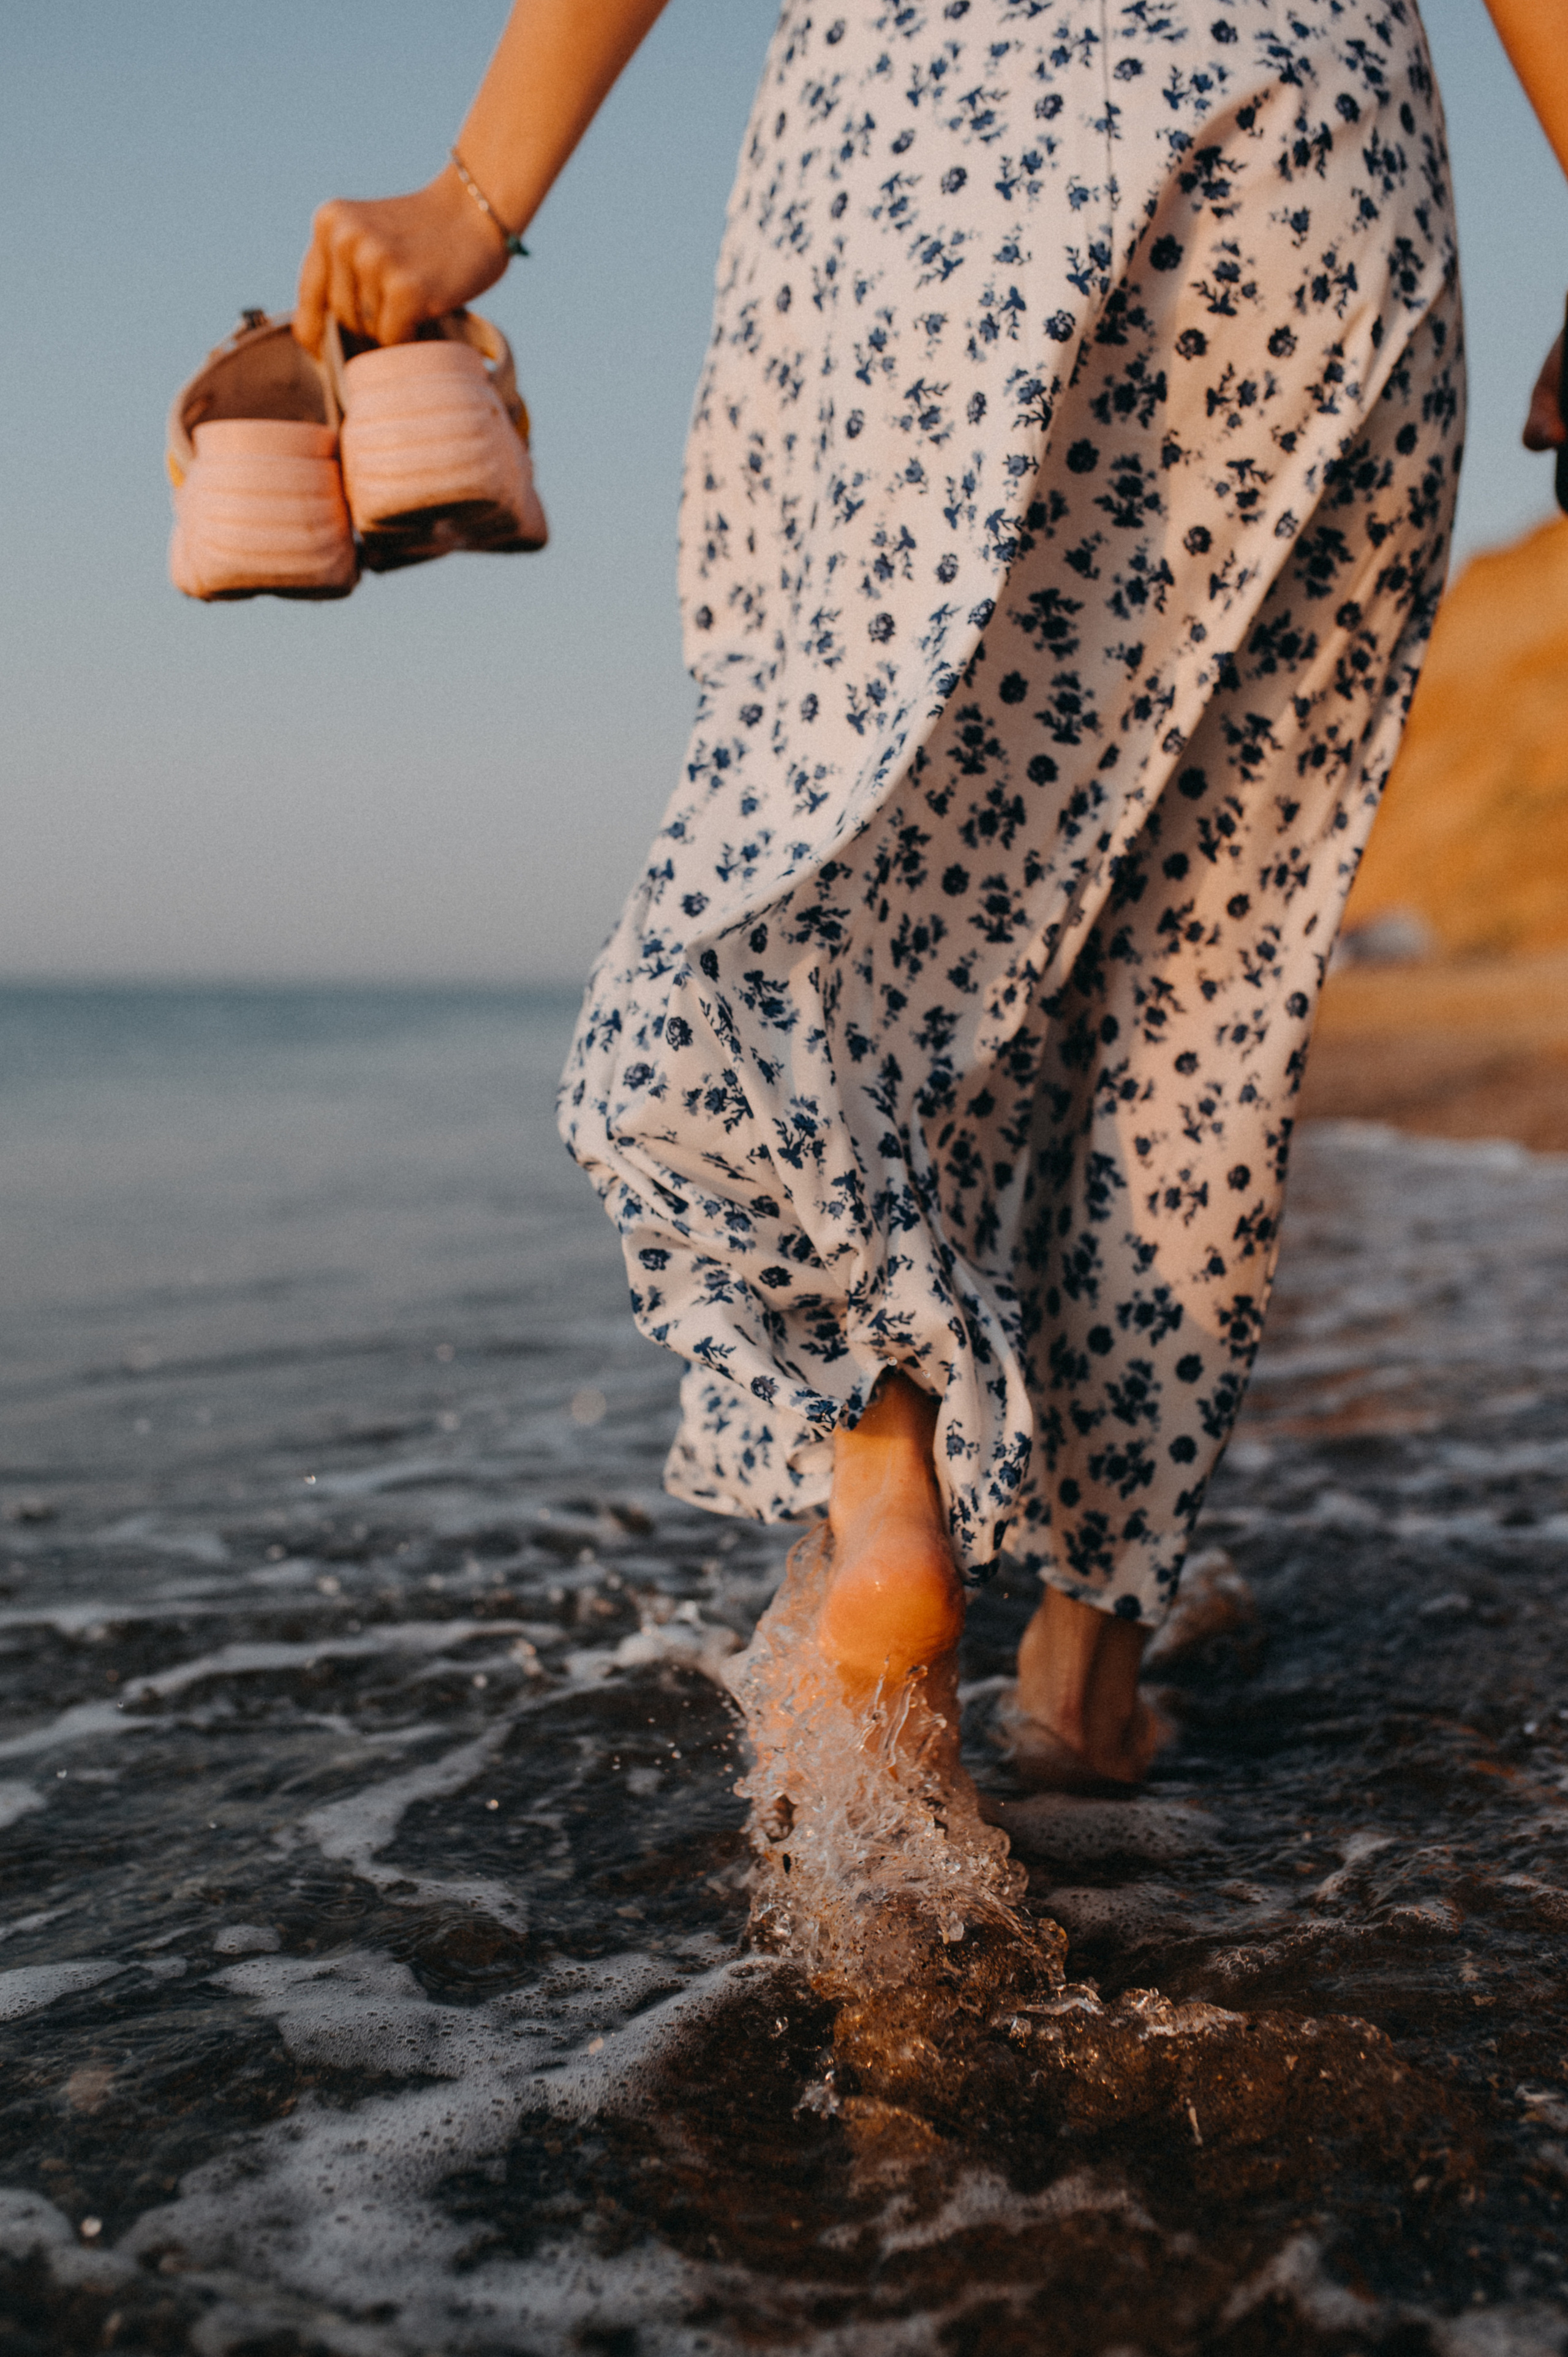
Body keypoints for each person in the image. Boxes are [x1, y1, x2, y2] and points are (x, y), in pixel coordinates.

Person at [298, 0, 1568, 1792]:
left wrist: (473, 202)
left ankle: (888, 1469)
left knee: (844, 863)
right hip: (1322, 171)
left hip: (948, 150)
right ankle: (1092, 1683)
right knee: (1206, 973)